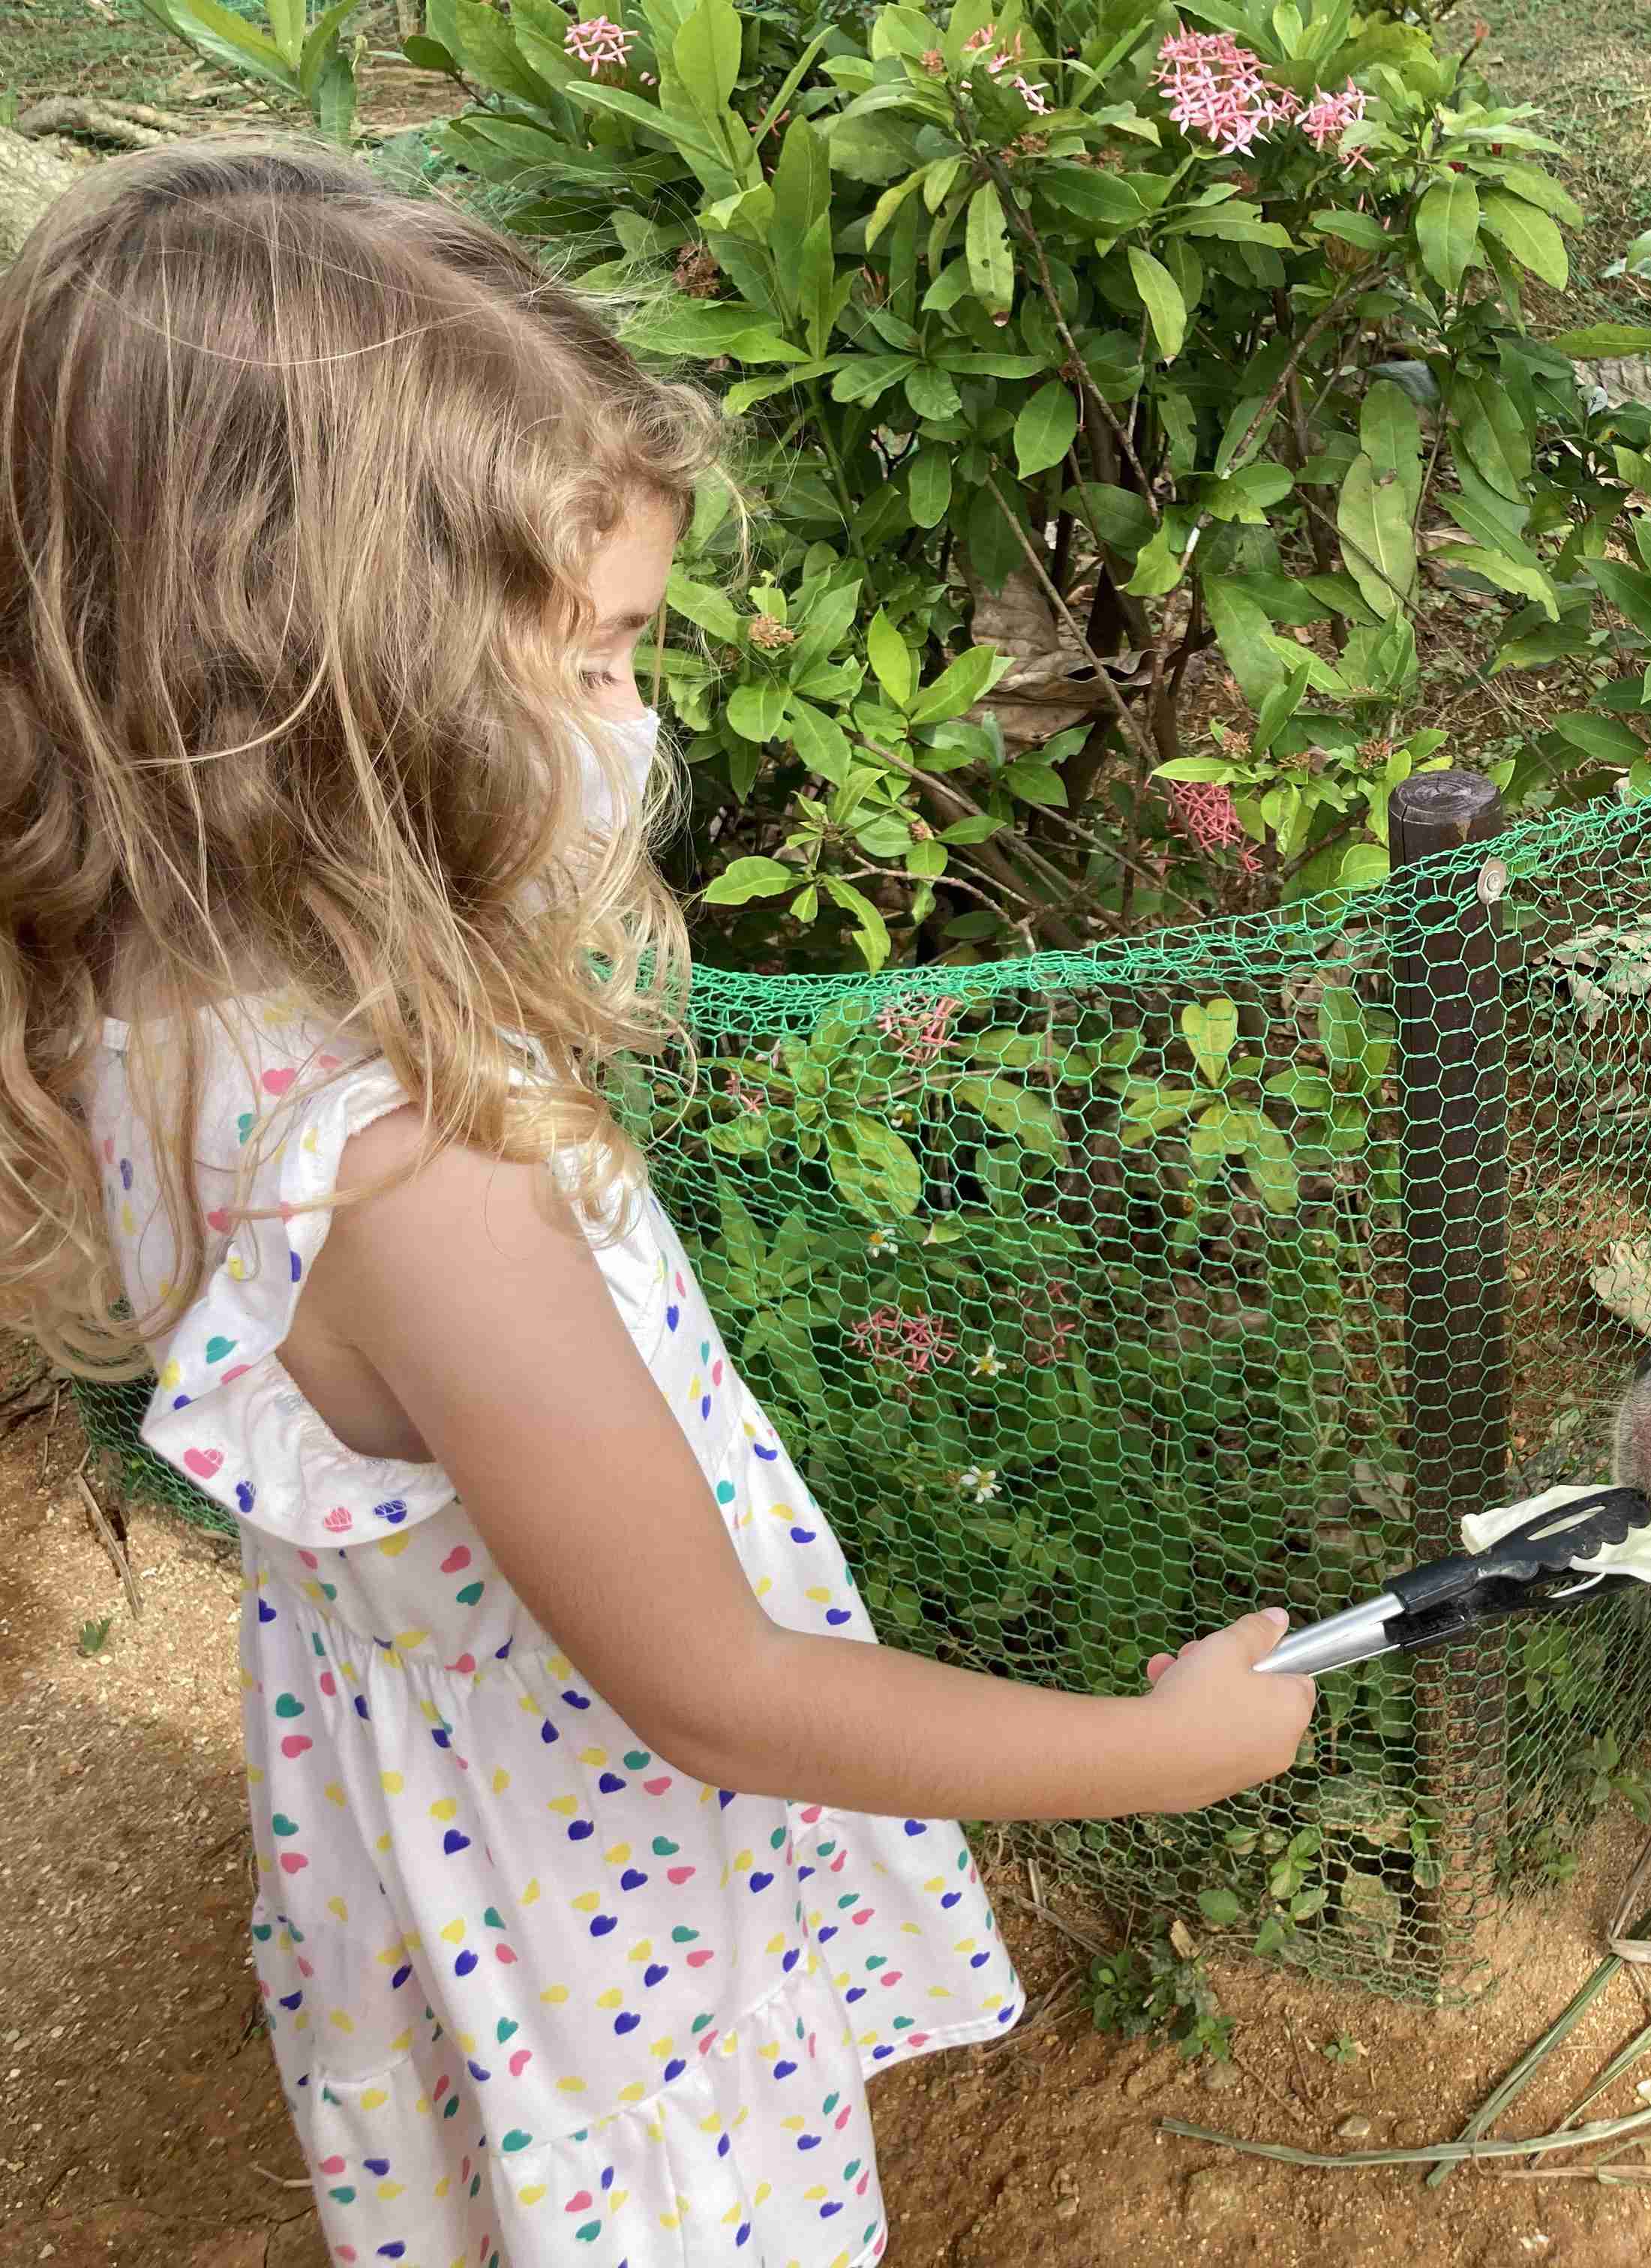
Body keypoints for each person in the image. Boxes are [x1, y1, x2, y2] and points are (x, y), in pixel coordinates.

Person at [0, 139, 1315, 2267]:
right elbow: (709, 1689)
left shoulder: (151, 989)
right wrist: (1159, 1754)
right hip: (594, 1876)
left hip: (409, 1785)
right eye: (600, 659)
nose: (640, 722)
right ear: (340, 694)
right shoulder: (410, 1173)